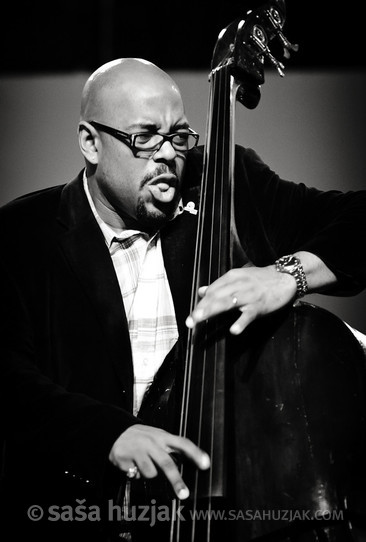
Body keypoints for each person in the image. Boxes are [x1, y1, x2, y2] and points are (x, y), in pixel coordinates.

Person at [0, 57, 366, 542]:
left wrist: (287, 274)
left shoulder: (228, 187)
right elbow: (10, 379)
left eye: (179, 136)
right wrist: (107, 434)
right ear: (91, 141)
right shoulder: (22, 234)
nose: (168, 154)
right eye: (145, 136)